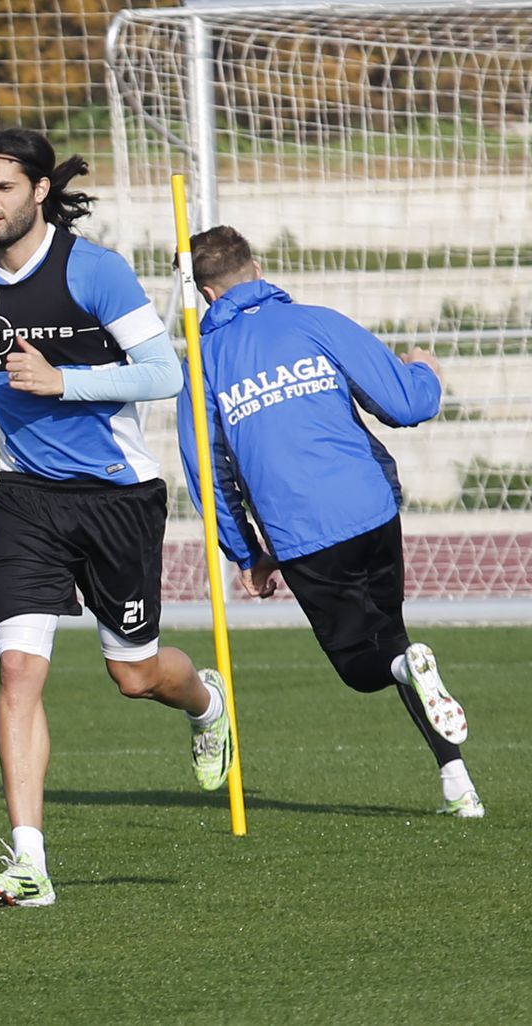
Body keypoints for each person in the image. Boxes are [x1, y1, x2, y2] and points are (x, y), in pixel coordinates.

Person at [0, 128, 230, 909]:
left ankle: (205, 700)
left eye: (0, 187)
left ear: (38, 191)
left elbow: (165, 372)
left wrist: (61, 381)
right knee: (16, 670)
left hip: (116, 497)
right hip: (26, 498)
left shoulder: (93, 270)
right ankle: (28, 860)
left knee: (132, 674)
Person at [177, 225, 480, 817]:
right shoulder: (318, 320)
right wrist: (426, 372)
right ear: (257, 269)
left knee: (364, 668)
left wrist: (247, 555)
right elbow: (407, 404)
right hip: (372, 508)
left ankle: (407, 674)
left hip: (305, 532)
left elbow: (207, 475)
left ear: (207, 296)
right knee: (393, 635)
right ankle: (457, 783)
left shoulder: (205, 358)